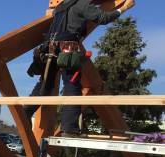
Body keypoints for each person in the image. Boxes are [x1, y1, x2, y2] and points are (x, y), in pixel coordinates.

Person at [25, 0, 136, 136]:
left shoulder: (61, 7)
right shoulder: (81, 4)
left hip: (50, 48)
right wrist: (123, 8)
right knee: (72, 85)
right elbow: (103, 18)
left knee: (45, 84)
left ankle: (26, 113)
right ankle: (69, 128)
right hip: (67, 48)